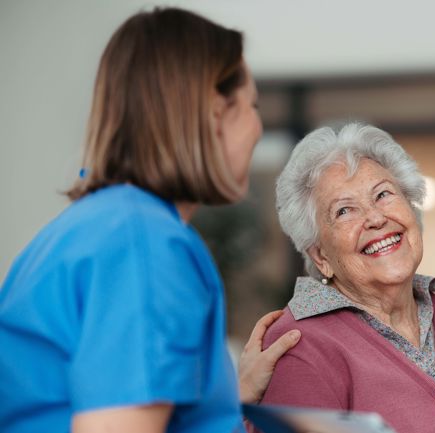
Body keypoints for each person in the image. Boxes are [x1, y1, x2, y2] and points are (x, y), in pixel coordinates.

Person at [0, 8, 298, 433]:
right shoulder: (146, 247)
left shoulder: (90, 227)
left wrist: (224, 402)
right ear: (215, 114)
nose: (257, 127)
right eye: (251, 105)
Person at [260, 123, 435, 433]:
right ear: (321, 257)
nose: (376, 218)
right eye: (344, 211)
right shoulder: (300, 346)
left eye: (383, 194)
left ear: (412, 209)